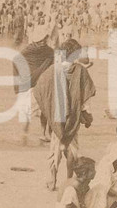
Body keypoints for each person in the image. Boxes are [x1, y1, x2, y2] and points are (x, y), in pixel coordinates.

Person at [34, 39, 96, 191]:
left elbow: (40, 89)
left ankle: (53, 180)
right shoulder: (80, 71)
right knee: (71, 149)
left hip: (56, 116)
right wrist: (87, 115)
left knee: (55, 147)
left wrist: (48, 109)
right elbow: (84, 97)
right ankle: (68, 180)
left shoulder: (52, 70)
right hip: (73, 116)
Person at [14, 24, 54, 144]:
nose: (44, 41)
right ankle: (33, 134)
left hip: (35, 85)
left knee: (36, 110)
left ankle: (33, 133)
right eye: (43, 39)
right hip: (35, 85)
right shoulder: (41, 51)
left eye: (45, 39)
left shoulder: (38, 50)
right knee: (36, 111)